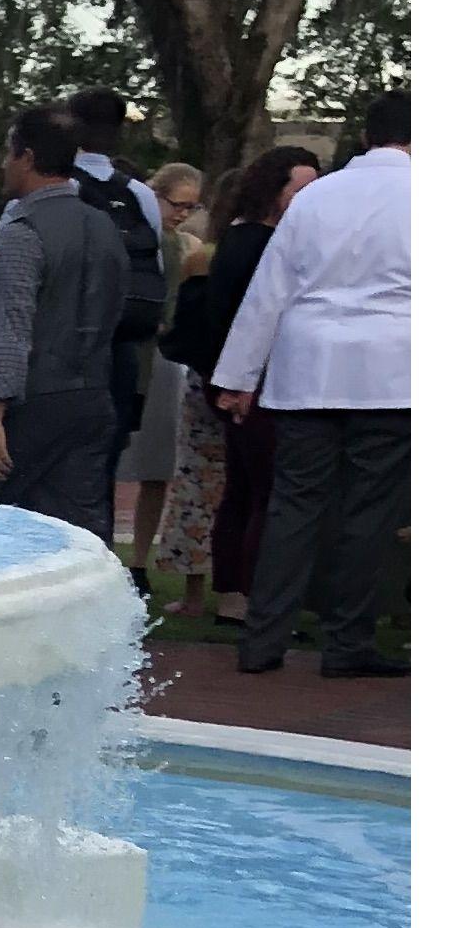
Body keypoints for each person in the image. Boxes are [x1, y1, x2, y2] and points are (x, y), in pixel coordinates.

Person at [218, 87, 410, 676]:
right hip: (391, 370)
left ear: (363, 137)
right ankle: (346, 642)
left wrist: (238, 375)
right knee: (368, 511)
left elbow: (269, 289)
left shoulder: (317, 196)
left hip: (307, 367)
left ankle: (262, 637)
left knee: (292, 505)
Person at [162, 144, 317, 628]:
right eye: (301, 187)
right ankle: (247, 592)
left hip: (238, 379)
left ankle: (233, 589)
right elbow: (242, 319)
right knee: (261, 490)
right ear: (274, 191)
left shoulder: (240, 240)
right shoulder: (259, 245)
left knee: (244, 488)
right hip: (256, 383)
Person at [0, 108, 134, 522]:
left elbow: (10, 325)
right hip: (95, 393)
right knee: (75, 531)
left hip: (31, 401)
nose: (5, 164)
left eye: (9, 153)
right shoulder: (105, 226)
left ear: (26, 157)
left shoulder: (23, 230)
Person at [64, 85, 168, 518]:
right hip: (123, 341)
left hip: (68, 341)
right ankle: (101, 544)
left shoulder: (62, 185)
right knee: (105, 456)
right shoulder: (140, 195)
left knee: (61, 458)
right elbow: (154, 262)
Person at [116, 159, 210, 568]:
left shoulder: (187, 247)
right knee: (116, 454)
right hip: (132, 349)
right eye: (177, 204)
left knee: (156, 465)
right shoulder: (134, 238)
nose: (182, 214)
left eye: (191, 207)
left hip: (166, 358)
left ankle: (139, 559)